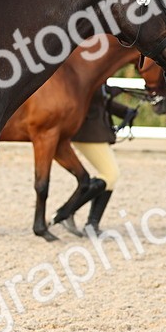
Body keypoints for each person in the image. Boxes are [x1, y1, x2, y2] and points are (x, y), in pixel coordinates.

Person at [60, 83, 138, 236]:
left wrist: (124, 111)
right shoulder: (87, 73)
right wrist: (110, 94)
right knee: (111, 174)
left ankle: (91, 224)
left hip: (95, 131)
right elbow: (91, 99)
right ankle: (65, 212)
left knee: (110, 176)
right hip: (88, 132)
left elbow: (100, 101)